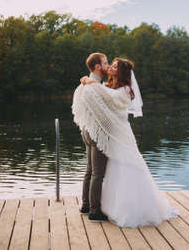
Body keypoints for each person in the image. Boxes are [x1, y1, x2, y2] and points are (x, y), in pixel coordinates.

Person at [72, 57, 178, 227]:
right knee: (96, 172)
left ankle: (95, 207)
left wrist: (89, 80)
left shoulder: (125, 90)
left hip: (120, 136)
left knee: (113, 170)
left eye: (114, 66)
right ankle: (91, 208)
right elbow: (102, 93)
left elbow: (107, 97)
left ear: (120, 72)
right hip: (104, 134)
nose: (110, 68)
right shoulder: (107, 86)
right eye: (110, 64)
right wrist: (89, 81)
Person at [78, 52, 110, 221]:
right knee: (98, 173)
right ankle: (95, 211)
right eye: (105, 62)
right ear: (97, 66)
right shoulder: (94, 87)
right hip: (95, 132)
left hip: (86, 130)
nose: (108, 65)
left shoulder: (88, 84)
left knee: (89, 171)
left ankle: (85, 205)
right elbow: (102, 114)